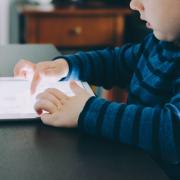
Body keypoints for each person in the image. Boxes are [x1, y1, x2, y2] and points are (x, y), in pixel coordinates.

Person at [14, 0, 180, 179]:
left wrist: (86, 110)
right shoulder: (159, 43)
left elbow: (172, 131)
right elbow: (117, 63)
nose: (134, 4)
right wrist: (66, 67)